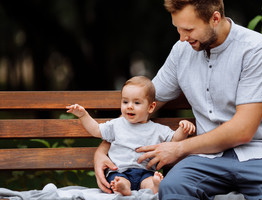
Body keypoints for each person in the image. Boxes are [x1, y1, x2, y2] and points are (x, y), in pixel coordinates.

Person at [94, 0, 262, 200]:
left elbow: (243, 130)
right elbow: (140, 104)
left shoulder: (256, 50)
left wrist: (179, 148)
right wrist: (103, 150)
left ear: (215, 18)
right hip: (207, 159)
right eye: (178, 29)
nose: (183, 38)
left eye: (189, 30)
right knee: (172, 188)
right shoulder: (182, 51)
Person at [66, 76, 195, 196]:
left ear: (151, 107)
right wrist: (84, 115)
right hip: (120, 171)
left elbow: (174, 140)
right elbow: (96, 130)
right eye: (125, 102)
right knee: (119, 180)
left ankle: (155, 186)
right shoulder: (116, 125)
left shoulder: (157, 129)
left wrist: (183, 129)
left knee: (149, 182)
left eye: (137, 103)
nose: (130, 107)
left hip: (145, 172)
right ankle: (123, 188)